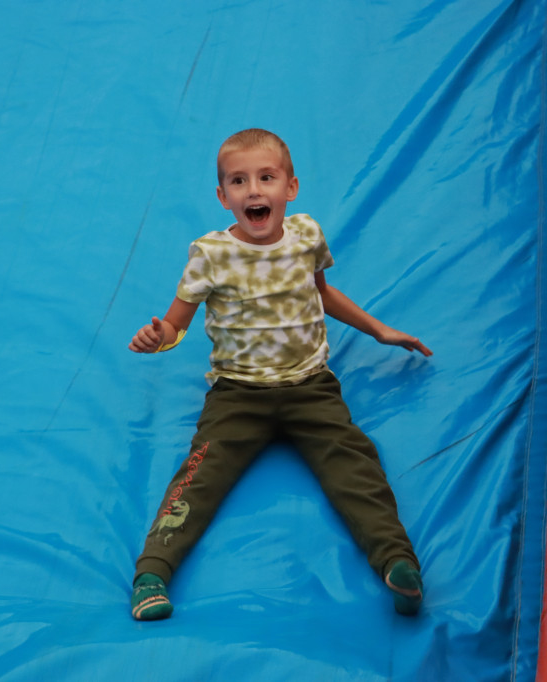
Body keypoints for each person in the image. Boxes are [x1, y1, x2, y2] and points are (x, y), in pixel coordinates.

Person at [128, 128, 432, 621]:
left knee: (355, 469)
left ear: (289, 188)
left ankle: (397, 562)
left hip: (310, 388)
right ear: (223, 196)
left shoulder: (307, 235)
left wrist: (379, 330)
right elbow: (175, 327)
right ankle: (151, 574)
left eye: (266, 178)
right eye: (239, 181)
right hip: (238, 395)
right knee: (199, 476)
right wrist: (157, 336)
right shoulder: (210, 254)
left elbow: (323, 295)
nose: (254, 190)